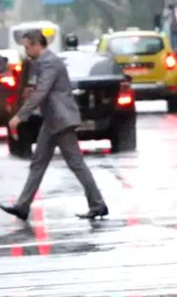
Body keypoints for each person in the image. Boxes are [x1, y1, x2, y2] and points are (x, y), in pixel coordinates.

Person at [0, 30, 108, 222]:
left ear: (36, 44)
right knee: (38, 164)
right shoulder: (43, 63)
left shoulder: (49, 62)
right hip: (52, 120)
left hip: (60, 120)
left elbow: (42, 92)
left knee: (76, 164)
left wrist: (20, 116)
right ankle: (23, 206)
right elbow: (44, 90)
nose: (26, 51)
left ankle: (98, 204)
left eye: (27, 47)